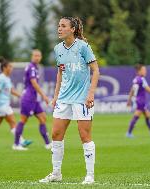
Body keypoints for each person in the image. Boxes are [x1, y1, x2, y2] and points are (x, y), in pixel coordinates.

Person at [39, 17, 100, 184]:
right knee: (56, 135)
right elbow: (60, 73)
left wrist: (91, 93)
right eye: (58, 25)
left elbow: (96, 71)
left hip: (81, 99)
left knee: (85, 136)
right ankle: (56, 173)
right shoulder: (58, 48)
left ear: (72, 29)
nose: (59, 28)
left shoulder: (83, 47)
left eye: (63, 26)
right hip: (64, 99)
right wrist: (55, 97)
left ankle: (89, 176)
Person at [0, 57, 31, 150]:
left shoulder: (6, 78)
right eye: (10, 66)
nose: (11, 68)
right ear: (5, 68)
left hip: (1, 105)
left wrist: (21, 96)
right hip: (2, 105)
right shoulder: (1, 78)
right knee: (13, 122)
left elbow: (11, 90)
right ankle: (20, 142)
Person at [13, 49, 51, 150]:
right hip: (28, 99)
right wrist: (44, 95)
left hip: (34, 99)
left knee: (43, 118)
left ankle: (48, 144)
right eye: (35, 56)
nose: (37, 57)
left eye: (39, 56)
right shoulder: (31, 68)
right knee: (23, 120)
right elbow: (34, 83)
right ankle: (16, 144)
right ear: (32, 56)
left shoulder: (35, 68)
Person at [126, 64, 150, 138]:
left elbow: (132, 90)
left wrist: (129, 100)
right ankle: (129, 133)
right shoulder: (141, 79)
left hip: (138, 100)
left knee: (147, 115)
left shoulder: (136, 79)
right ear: (139, 71)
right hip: (141, 101)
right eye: (144, 70)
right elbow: (148, 89)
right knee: (136, 116)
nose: (145, 71)